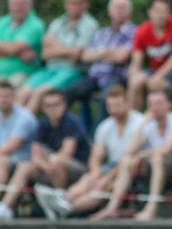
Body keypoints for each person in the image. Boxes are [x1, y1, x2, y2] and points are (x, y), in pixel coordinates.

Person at [34, 85, 143, 218]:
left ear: (127, 104)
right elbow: (96, 155)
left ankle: (65, 207)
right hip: (110, 166)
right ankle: (62, 201)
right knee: (87, 180)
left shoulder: (139, 122)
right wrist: (95, 173)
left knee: (102, 187)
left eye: (118, 105)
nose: (114, 110)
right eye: (110, 106)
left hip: (132, 167)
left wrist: (105, 177)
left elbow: (132, 156)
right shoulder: (105, 126)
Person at [90, 90, 172, 221]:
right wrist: (144, 123)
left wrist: (142, 155)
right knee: (127, 161)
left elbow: (166, 150)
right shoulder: (149, 124)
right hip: (153, 168)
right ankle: (112, 208)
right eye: (151, 104)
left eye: (159, 104)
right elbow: (130, 151)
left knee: (158, 159)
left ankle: (151, 208)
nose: (155, 108)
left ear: (169, 105)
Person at [0, 90, 89, 219]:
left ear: (64, 105)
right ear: (42, 107)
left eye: (56, 104)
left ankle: (59, 204)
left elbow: (67, 152)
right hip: (49, 165)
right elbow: (35, 151)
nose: (52, 109)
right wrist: (42, 164)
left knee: (56, 161)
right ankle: (5, 208)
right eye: (48, 105)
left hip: (77, 169)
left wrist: (47, 162)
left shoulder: (71, 122)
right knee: (25, 166)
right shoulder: (43, 123)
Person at [20, 0, 98, 114]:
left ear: (86, 4)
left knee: (40, 92)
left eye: (77, 2)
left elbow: (78, 54)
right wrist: (69, 51)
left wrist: (54, 45)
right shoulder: (57, 23)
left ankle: (21, 131)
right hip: (49, 70)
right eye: (70, 2)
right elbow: (45, 54)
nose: (73, 6)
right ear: (65, 3)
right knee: (23, 92)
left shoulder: (90, 25)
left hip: (73, 71)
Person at [67, 0, 136, 131]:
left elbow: (122, 57)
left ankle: (95, 141)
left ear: (130, 11)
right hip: (94, 77)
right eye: (116, 8)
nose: (119, 11)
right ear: (110, 11)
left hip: (117, 77)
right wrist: (110, 53)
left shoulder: (134, 32)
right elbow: (85, 56)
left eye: (123, 8)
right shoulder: (102, 32)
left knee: (107, 99)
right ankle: (70, 136)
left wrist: (99, 53)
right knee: (67, 94)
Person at [128, 0, 172, 117]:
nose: (161, 15)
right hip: (155, 71)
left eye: (165, 11)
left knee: (155, 84)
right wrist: (134, 77)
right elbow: (136, 62)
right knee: (136, 81)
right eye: (157, 11)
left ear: (170, 13)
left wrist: (157, 76)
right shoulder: (142, 30)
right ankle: (134, 122)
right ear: (150, 12)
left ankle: (157, 122)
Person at [0, 0, 44, 87]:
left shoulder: (35, 25)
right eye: (15, 4)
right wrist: (18, 54)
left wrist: (11, 51)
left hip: (22, 74)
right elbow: (13, 50)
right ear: (9, 5)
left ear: (30, 5)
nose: (18, 8)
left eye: (22, 4)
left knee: (5, 91)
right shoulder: (2, 21)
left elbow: (13, 49)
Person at [0, 79, 37, 188]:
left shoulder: (24, 117)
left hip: (24, 159)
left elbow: (10, 148)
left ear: (14, 97)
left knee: (1, 161)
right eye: (0, 96)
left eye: (6, 96)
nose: (2, 99)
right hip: (6, 156)